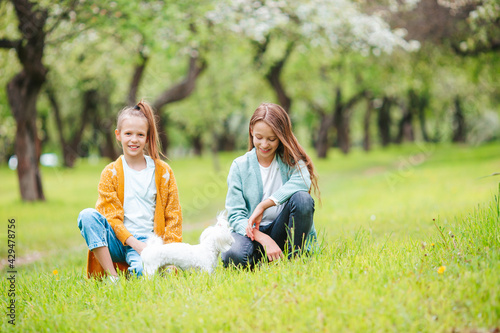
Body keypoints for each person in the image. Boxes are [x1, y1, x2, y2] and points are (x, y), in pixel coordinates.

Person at [77, 100, 182, 280]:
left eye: (140, 135)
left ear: (147, 137)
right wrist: (134, 243)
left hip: (149, 242)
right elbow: (111, 217)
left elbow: (173, 216)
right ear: (118, 135)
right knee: (87, 215)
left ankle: (136, 270)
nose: (134, 140)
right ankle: (112, 277)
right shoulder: (110, 172)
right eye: (128, 134)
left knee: (144, 274)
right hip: (118, 240)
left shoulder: (163, 172)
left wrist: (169, 256)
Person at [222, 102, 320, 268]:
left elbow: (303, 181)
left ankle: (294, 256)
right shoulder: (239, 165)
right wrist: (262, 237)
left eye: (272, 139)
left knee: (303, 199)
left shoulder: (291, 161)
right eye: (259, 138)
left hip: (283, 231)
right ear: (251, 130)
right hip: (252, 234)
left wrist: (264, 205)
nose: (265, 144)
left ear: (281, 136)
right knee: (233, 255)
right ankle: (264, 258)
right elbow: (235, 215)